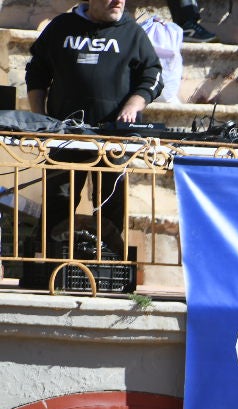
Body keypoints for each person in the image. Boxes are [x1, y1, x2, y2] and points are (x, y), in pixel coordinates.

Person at [26, 0, 164, 252]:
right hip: (65, 135)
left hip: (113, 139)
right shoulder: (61, 27)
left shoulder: (132, 32)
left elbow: (153, 75)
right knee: (59, 199)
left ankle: (107, 261)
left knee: (111, 201)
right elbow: (36, 72)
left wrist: (134, 105)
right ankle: (52, 260)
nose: (118, 1)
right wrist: (40, 119)